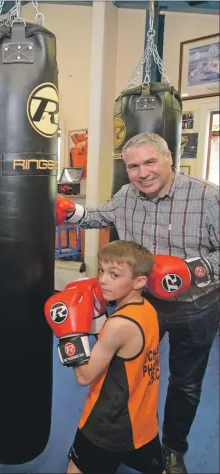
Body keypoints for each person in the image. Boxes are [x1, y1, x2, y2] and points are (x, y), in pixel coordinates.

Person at [56, 132, 220, 474]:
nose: (142, 173)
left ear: (169, 159)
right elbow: (96, 217)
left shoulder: (206, 197)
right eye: (133, 166)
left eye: (150, 162)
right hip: (144, 307)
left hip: (196, 306)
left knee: (185, 384)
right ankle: (128, 438)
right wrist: (67, 210)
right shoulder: (126, 196)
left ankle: (173, 448)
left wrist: (193, 270)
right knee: (124, 375)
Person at [45, 241, 164, 474]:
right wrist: (98, 315)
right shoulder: (147, 309)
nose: (102, 279)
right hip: (144, 419)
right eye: (101, 270)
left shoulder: (119, 325)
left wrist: (69, 335)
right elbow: (121, 352)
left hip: (107, 425)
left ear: (139, 281)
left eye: (114, 274)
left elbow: (84, 376)